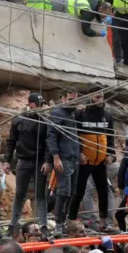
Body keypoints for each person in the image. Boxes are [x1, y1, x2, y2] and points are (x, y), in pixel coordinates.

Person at [1, 92, 50, 237]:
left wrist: (48, 161)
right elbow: (11, 142)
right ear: (30, 105)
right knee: (20, 194)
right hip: (23, 161)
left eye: (42, 105)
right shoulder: (18, 120)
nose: (40, 108)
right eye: (38, 105)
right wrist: (6, 161)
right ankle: (12, 224)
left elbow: (49, 144)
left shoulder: (46, 122)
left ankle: (43, 225)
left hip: (40, 162)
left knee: (41, 195)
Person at [68, 90, 115, 229]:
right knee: (78, 191)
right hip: (84, 161)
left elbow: (110, 138)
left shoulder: (107, 116)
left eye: (102, 97)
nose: (100, 100)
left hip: (100, 162)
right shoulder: (80, 114)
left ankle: (103, 223)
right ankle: (71, 221)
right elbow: (74, 136)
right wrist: (79, 153)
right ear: (90, 97)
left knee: (103, 192)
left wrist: (110, 155)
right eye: (97, 97)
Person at [46, 88, 80, 236]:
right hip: (63, 159)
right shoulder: (57, 113)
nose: (74, 102)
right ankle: (59, 225)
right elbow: (51, 137)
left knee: (72, 193)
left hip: (74, 158)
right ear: (64, 98)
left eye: (76, 99)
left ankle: (62, 221)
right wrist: (56, 157)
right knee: (63, 192)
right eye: (71, 99)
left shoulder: (73, 114)